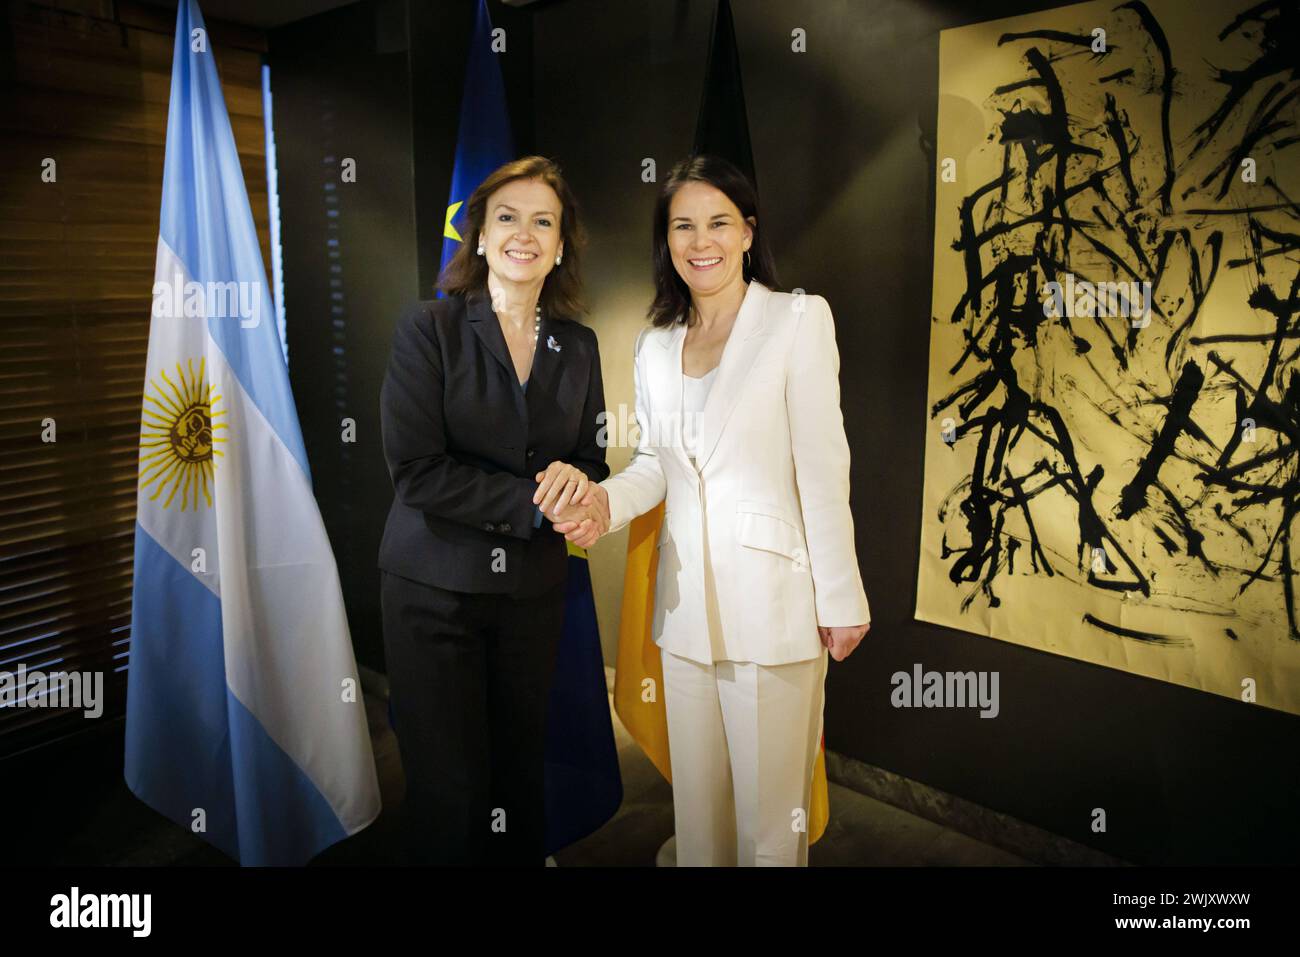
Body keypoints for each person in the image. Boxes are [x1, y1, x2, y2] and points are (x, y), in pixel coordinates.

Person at [549, 154, 870, 866]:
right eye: (683, 225)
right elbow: (656, 465)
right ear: (666, 240)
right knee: (699, 821)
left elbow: (823, 464)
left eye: (719, 222)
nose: (702, 241)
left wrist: (841, 595)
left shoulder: (797, 320)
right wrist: (602, 504)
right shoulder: (656, 343)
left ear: (749, 232)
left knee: (768, 827)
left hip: (776, 608)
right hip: (686, 612)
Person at [378, 156, 608, 865]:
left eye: (545, 221)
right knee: (452, 793)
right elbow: (417, 471)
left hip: (531, 597)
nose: (525, 234)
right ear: (479, 236)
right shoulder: (429, 328)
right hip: (434, 594)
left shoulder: (579, 344)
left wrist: (584, 484)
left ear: (562, 244)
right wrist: (541, 503)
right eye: (507, 217)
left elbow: (591, 456)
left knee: (517, 777)